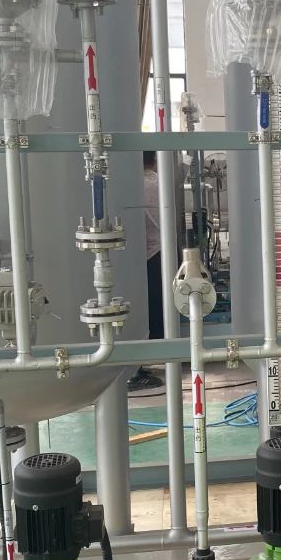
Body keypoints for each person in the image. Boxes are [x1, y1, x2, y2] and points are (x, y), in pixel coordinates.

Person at [130, 151, 164, 391]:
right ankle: (140, 364)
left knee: (145, 309)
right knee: (154, 307)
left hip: (143, 254)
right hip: (156, 251)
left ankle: (138, 365)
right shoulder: (156, 182)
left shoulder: (136, 184)